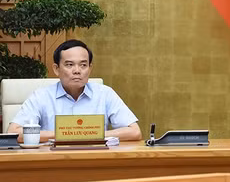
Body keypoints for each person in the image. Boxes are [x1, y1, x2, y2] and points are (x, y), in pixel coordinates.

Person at [8, 39, 142, 142]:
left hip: (95, 161)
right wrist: (64, 134)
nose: (77, 70)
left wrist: (90, 134)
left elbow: (135, 132)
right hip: (53, 162)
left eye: (83, 65)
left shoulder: (105, 94)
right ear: (56, 69)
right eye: (69, 65)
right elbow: (13, 133)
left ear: (90, 69)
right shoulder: (41, 96)